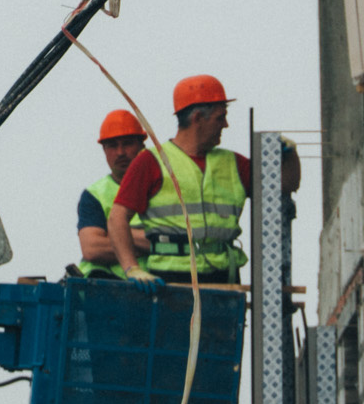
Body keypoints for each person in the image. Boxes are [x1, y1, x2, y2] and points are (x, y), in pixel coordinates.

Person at [105, 75, 299, 283]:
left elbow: (286, 185)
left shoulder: (234, 163)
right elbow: (117, 218)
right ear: (198, 118)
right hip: (172, 279)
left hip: (223, 278)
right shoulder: (152, 162)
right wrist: (132, 268)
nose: (225, 124)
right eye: (220, 117)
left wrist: (290, 155)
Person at [72, 110, 150, 278]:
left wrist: (115, 235)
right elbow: (92, 249)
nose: (120, 152)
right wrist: (146, 243)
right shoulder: (94, 194)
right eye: (113, 145)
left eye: (127, 143)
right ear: (104, 150)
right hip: (102, 288)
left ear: (142, 145)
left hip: (153, 286)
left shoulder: (160, 186)